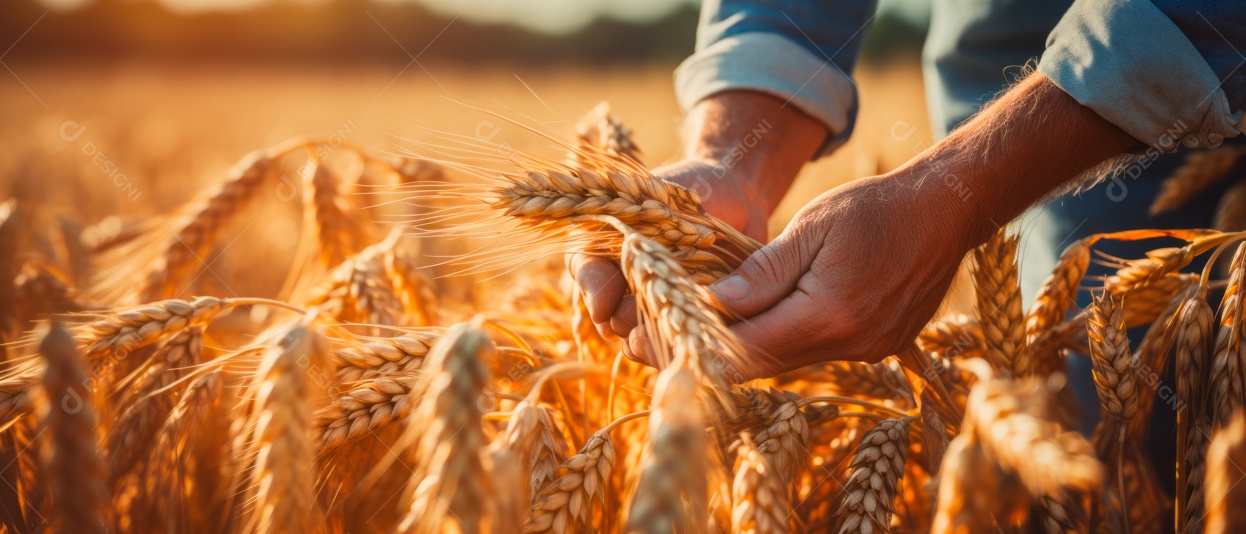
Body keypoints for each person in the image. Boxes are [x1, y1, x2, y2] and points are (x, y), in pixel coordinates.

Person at [571, 0, 1245, 380]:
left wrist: (955, 192)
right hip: (1014, 50)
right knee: (1110, 404)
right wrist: (732, 158)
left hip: (1190, 78)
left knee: (1171, 414)